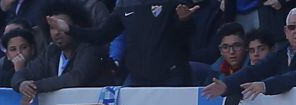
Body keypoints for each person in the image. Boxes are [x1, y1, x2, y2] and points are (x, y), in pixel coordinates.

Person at [46, 0, 200, 86]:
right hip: (138, 79)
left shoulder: (175, 2)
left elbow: (189, 36)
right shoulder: (125, 3)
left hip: (171, 78)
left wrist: (185, 21)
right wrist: (69, 29)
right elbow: (100, 35)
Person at [202, 7, 296, 100]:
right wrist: (226, 85)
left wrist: (265, 86)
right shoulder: (282, 51)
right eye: (292, 27)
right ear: (286, 31)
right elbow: (254, 71)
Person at [12, 0, 111, 105]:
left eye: (61, 26)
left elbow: (75, 79)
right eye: (52, 28)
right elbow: (24, 73)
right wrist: (21, 84)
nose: (57, 32)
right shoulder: (51, 52)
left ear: (75, 27)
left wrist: (34, 86)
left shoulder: (91, 49)